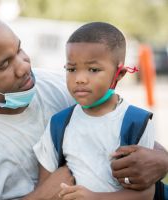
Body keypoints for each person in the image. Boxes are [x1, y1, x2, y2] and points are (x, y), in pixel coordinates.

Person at [0, 11, 168, 200]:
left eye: (19, 50)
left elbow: (125, 136)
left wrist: (162, 160)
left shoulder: (63, 88)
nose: (24, 66)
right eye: (4, 65)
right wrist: (42, 196)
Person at [33, 22, 157, 200]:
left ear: (119, 74)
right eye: (72, 69)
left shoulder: (136, 122)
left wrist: (94, 197)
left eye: (93, 70)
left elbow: (146, 193)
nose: (80, 79)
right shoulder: (59, 123)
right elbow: (46, 186)